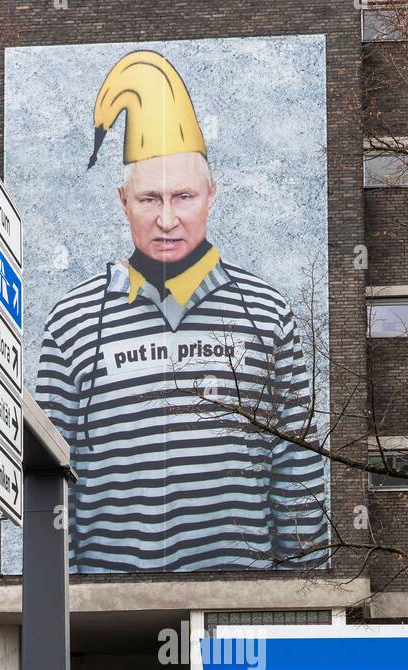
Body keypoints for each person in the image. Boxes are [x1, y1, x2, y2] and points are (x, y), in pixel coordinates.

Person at [36, 49, 328, 574]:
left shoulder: (269, 315)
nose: (167, 218)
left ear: (211, 196)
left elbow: (296, 475)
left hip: (243, 612)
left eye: (184, 196)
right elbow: (49, 481)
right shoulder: (72, 323)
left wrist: (298, 612)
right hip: (102, 621)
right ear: (122, 201)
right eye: (149, 199)